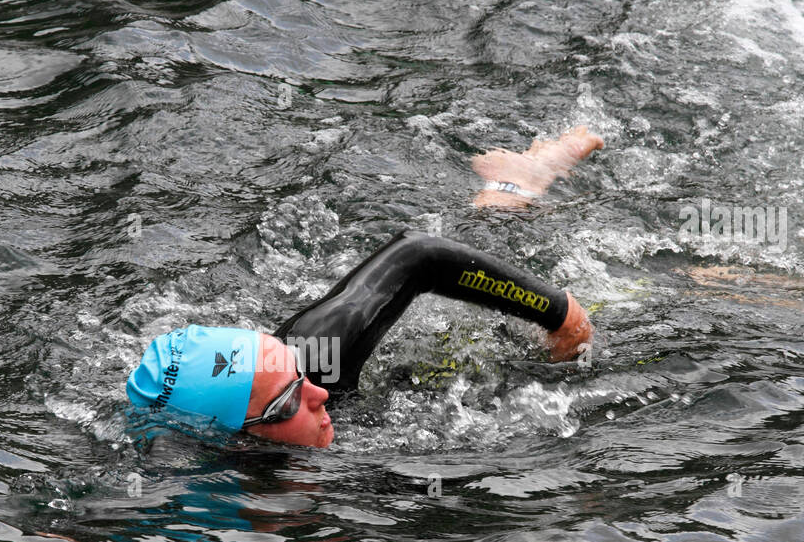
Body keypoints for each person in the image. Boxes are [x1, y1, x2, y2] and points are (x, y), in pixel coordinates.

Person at [127, 126, 604, 449]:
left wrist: (562, 315)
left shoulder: (315, 352)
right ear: (238, 439)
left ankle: (514, 187)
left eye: (299, 374)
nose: (320, 394)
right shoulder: (205, 483)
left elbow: (420, 255)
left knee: (485, 245)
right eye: (288, 401)